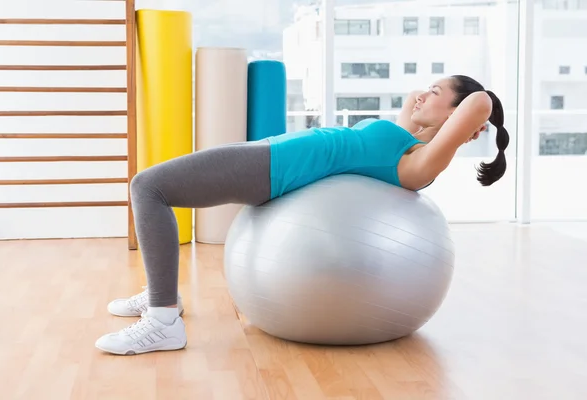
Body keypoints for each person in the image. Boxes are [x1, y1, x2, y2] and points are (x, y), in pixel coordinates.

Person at [95, 74, 509, 355]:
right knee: (153, 186)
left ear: (458, 116)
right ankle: (158, 293)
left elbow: (478, 101)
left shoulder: (420, 163)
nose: (422, 94)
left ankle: (164, 319)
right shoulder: (406, 137)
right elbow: (415, 104)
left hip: (276, 169)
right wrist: (432, 101)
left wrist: (472, 120)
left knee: (149, 187)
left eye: (436, 92)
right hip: (271, 149)